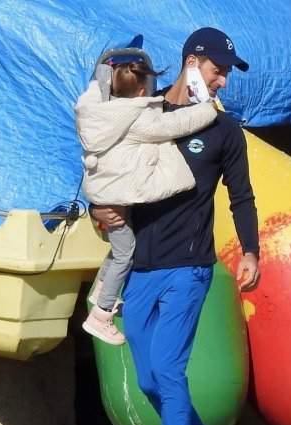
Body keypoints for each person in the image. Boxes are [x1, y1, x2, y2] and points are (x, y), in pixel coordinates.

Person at [90, 27, 260, 425]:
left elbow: (242, 196)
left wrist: (251, 250)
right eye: (217, 71)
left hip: (189, 268)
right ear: (192, 64)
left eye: (226, 74)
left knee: (168, 368)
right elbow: (102, 176)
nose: (223, 82)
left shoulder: (224, 130)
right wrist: (96, 212)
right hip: (138, 270)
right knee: (148, 380)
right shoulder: (143, 115)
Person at [75, 48, 220, 345]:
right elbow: (174, 125)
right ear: (142, 91)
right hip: (115, 195)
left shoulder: (94, 110)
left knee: (118, 248)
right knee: (125, 251)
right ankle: (100, 315)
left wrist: (102, 74)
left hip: (103, 193)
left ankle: (102, 293)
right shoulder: (136, 120)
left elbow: (94, 88)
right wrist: (208, 108)